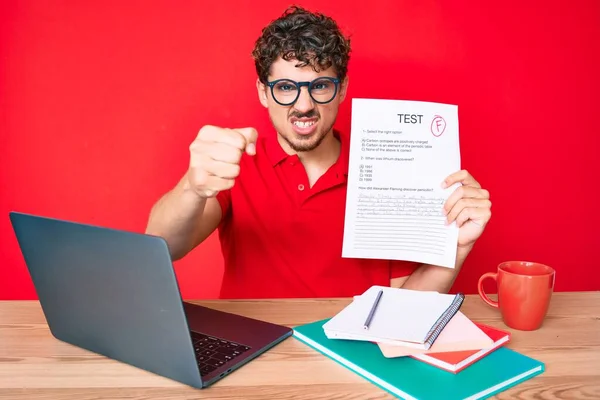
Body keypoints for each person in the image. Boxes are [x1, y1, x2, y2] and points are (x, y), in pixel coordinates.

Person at [145, 6, 492, 299]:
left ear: (342, 90)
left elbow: (406, 305)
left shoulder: (389, 170)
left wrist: (457, 248)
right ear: (263, 93)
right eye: (285, 87)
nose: (304, 105)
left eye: (320, 86)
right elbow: (163, 247)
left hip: (354, 358)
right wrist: (192, 187)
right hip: (251, 358)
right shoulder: (235, 164)